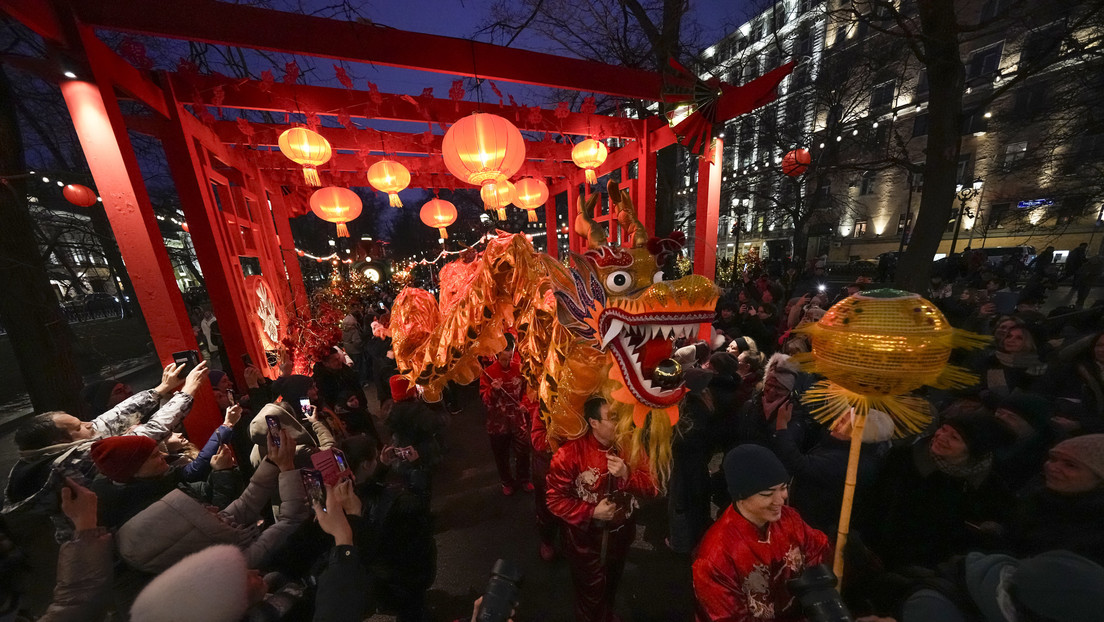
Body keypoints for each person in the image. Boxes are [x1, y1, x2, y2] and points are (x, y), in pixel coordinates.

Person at [3, 362, 208, 527]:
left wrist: (160, 390)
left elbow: (108, 421)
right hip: (120, 527)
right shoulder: (72, 462)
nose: (87, 424)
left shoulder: (43, 455)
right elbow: (144, 436)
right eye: (77, 427)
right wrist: (187, 391)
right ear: (60, 441)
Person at [115, 426, 308, 574]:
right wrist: (288, 468)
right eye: (154, 456)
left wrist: (274, 462)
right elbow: (291, 520)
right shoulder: (232, 565)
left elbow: (244, 505)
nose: (214, 509)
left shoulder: (203, 527)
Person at [545, 396, 658, 622]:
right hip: (586, 543)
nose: (622, 424)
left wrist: (628, 474)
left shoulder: (629, 446)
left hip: (622, 536)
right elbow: (554, 500)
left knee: (612, 584)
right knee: (591, 594)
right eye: (613, 418)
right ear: (593, 422)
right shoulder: (568, 455)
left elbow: (653, 487)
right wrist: (591, 512)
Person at [692, 444, 830, 621]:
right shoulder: (714, 557)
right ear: (741, 496)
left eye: (783, 487)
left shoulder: (789, 517)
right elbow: (728, 617)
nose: (781, 499)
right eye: (767, 493)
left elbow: (817, 548)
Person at [1004, 434, 1104, 564]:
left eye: (1070, 465)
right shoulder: (1038, 499)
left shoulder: (1095, 527)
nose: (1052, 467)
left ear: (1099, 478)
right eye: (1052, 459)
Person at [480, 338, 533, 495]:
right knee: (501, 455)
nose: (507, 361)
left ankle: (524, 479)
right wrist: (493, 390)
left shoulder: (519, 369)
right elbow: (485, 400)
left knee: (523, 451)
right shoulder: (488, 373)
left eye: (509, 358)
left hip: (517, 419)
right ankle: (506, 481)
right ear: (497, 356)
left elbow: (527, 391)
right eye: (503, 358)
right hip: (498, 422)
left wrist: (525, 404)